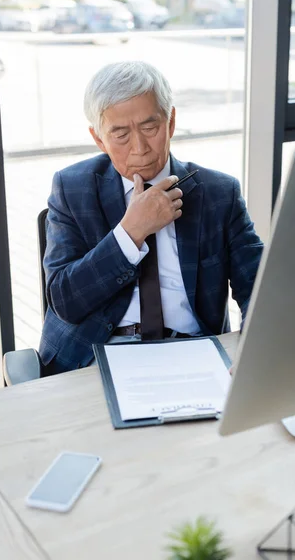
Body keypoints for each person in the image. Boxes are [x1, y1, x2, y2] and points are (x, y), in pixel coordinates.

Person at [39, 61, 263, 375]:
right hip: (93, 357)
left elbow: (259, 289)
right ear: (99, 139)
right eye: (120, 134)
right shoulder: (73, 188)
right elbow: (65, 301)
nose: (140, 148)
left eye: (150, 127)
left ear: (170, 122)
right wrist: (131, 232)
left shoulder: (219, 193)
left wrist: (255, 352)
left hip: (193, 353)